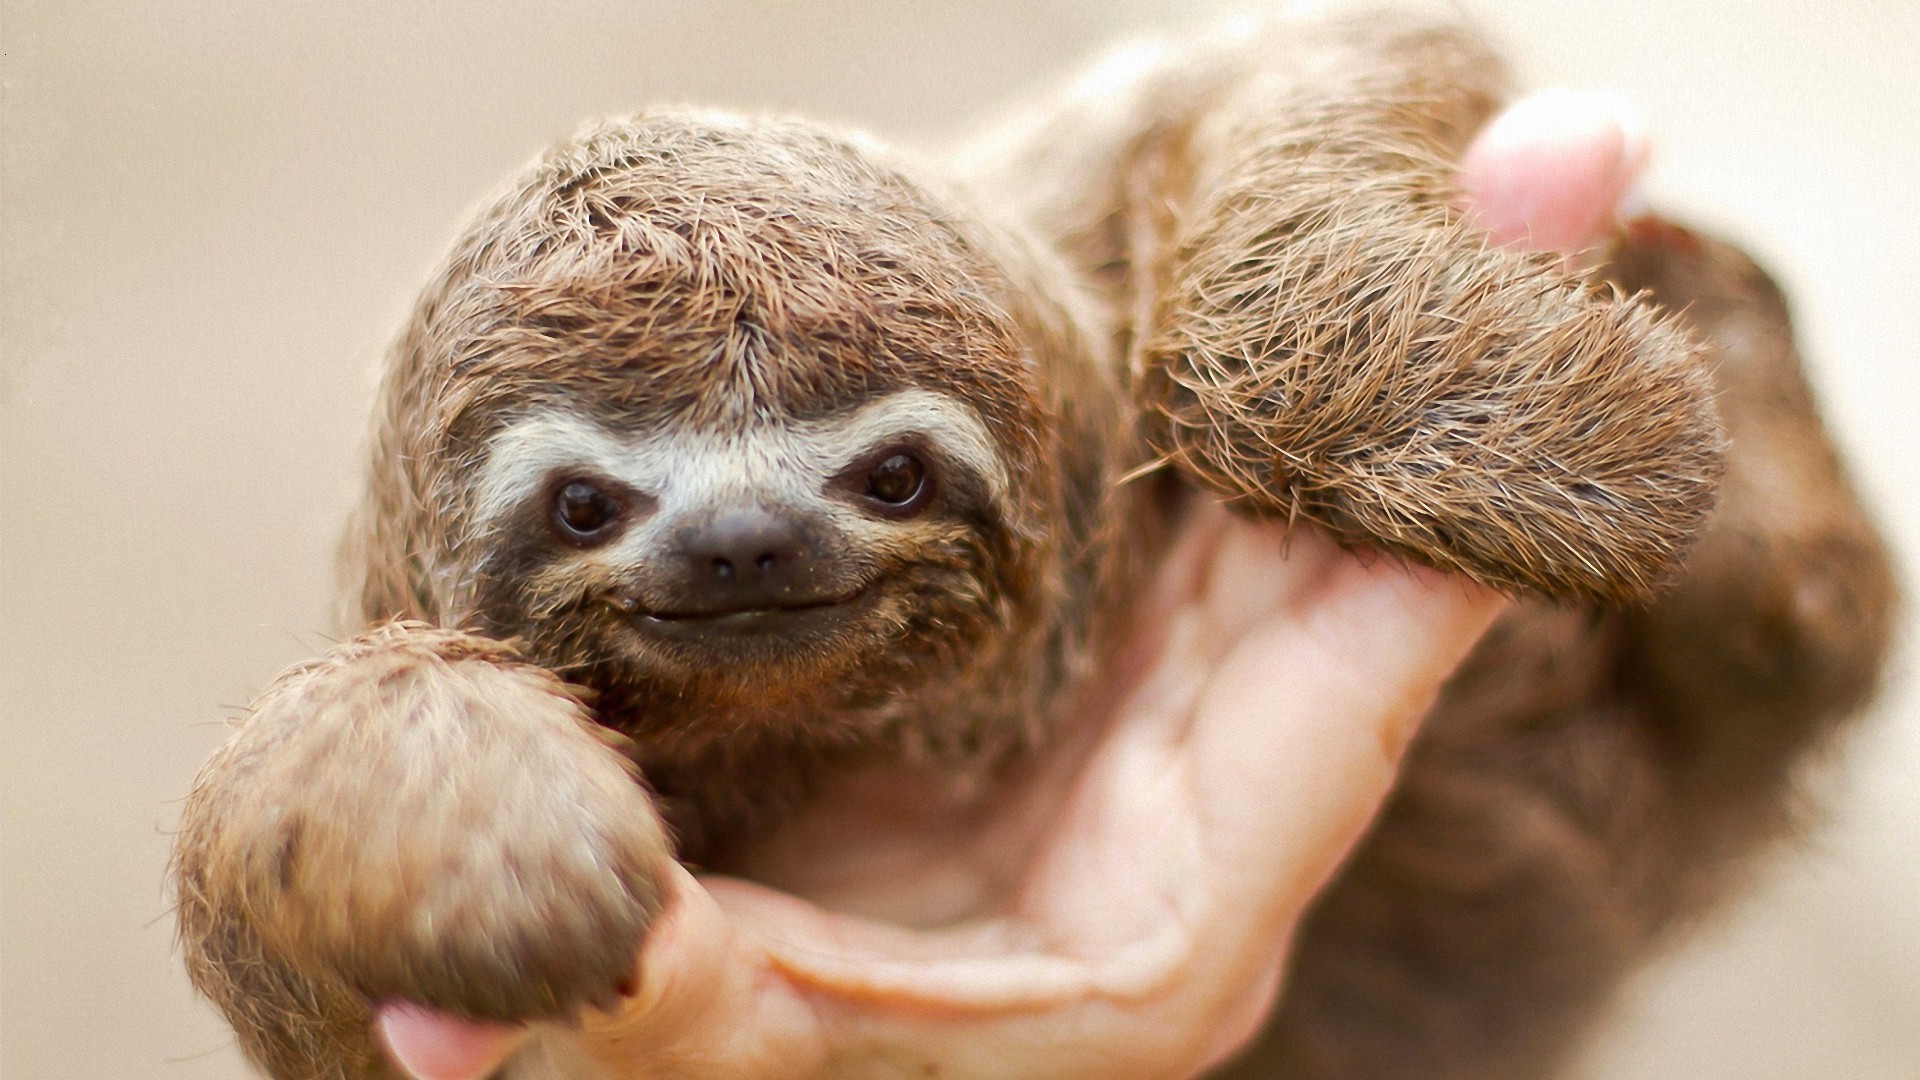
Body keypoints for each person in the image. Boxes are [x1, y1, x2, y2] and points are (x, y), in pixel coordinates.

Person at [375, 88, 1652, 1080]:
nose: (741, 541)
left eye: (888, 479)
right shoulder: (427, 732)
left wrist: (1314, 356)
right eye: (591, 508)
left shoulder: (1110, 244)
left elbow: (1315, 56)